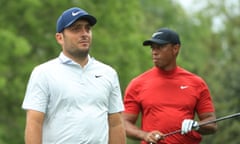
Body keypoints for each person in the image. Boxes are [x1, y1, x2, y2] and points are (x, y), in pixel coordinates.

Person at [22, 7, 126, 144]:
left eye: (87, 28)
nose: (84, 34)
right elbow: (34, 123)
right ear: (60, 38)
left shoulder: (108, 73)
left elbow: (115, 124)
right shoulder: (43, 73)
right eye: (76, 29)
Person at [122, 28, 217, 144]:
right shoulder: (138, 84)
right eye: (152, 48)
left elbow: (211, 123)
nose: (154, 52)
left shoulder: (196, 83)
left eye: (160, 47)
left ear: (175, 49)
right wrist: (145, 135)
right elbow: (124, 123)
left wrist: (197, 125)